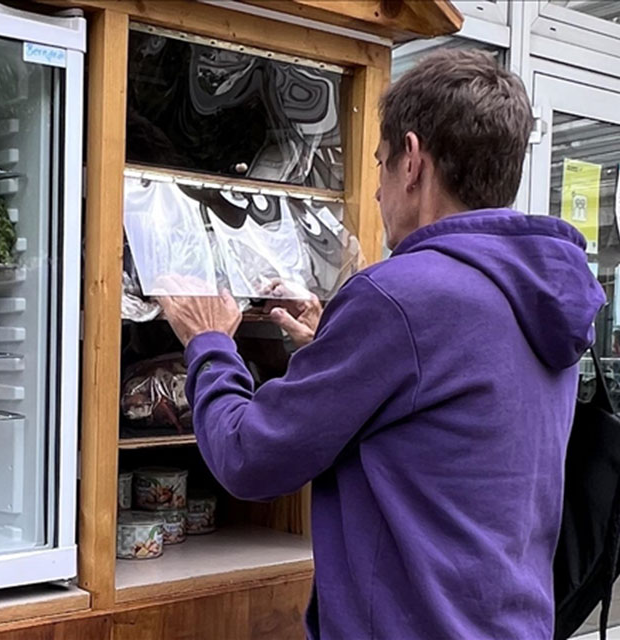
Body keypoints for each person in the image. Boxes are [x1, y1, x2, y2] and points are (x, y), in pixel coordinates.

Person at [157, 49, 604, 639]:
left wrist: (210, 343)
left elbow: (249, 457)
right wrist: (331, 340)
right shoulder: (539, 290)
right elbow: (448, 417)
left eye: (380, 164)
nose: (374, 192)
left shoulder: (401, 298)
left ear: (413, 161)